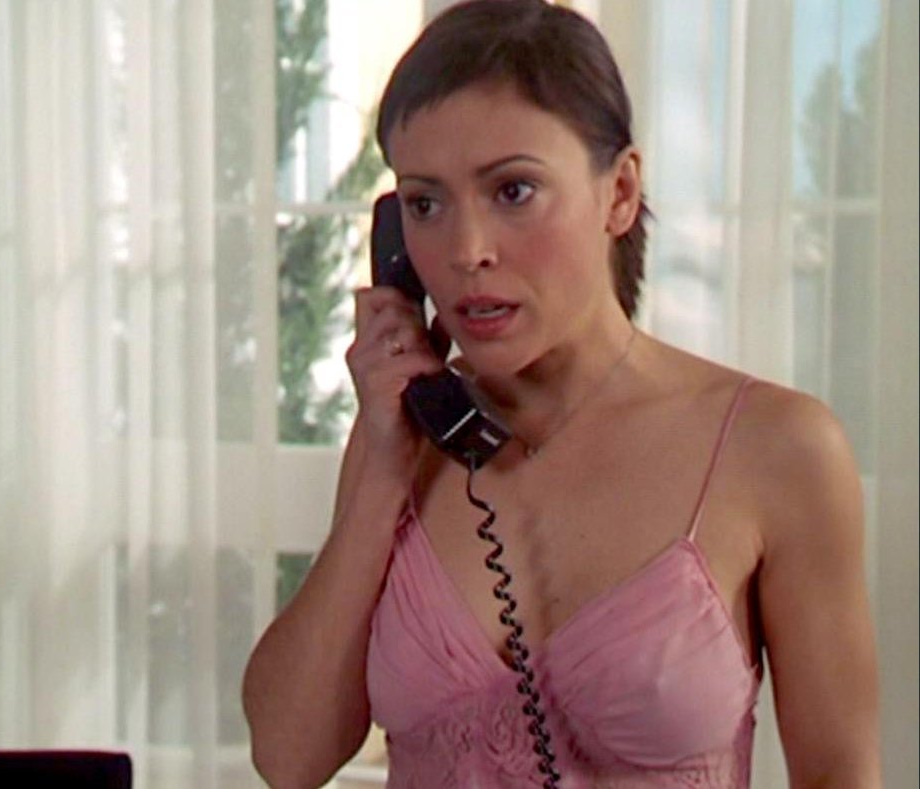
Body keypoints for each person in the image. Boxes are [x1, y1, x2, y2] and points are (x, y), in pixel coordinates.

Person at [242, 1, 881, 786]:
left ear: (620, 192)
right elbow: (288, 756)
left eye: (513, 191)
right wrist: (381, 467)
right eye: (425, 203)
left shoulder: (779, 448)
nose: (466, 251)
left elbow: (842, 774)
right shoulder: (402, 440)